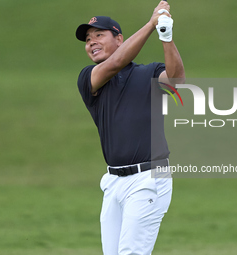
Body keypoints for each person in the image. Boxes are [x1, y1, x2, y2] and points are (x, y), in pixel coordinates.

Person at [76, 1, 184, 254]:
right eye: (88, 39)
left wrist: (165, 35)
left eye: (99, 35)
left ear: (119, 39)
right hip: (113, 182)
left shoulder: (150, 73)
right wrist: (150, 24)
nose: (91, 42)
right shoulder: (89, 78)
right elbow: (115, 64)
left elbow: (176, 81)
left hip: (149, 177)